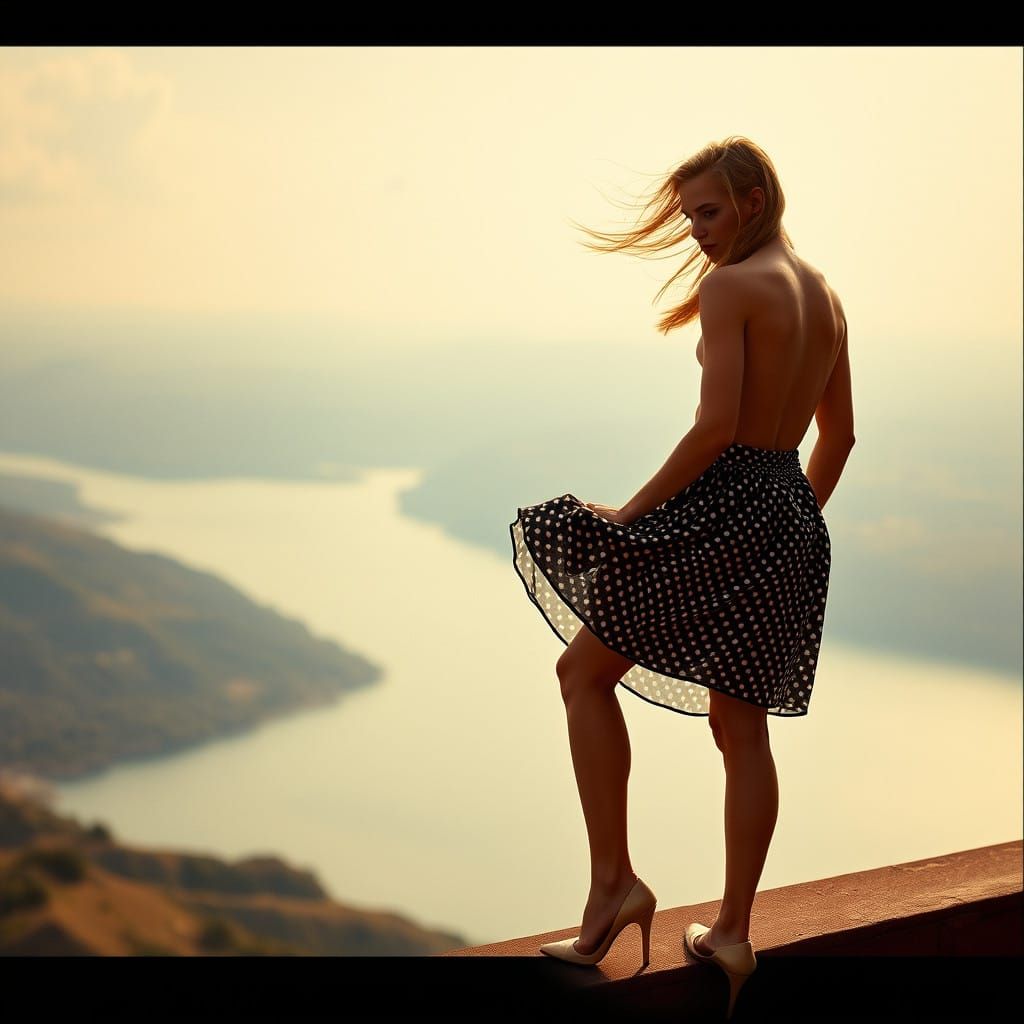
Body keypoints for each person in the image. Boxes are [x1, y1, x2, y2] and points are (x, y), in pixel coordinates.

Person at [508, 136, 855, 1019]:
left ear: (751, 199)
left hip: (722, 501)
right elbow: (838, 439)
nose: (695, 232)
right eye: (687, 215)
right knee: (742, 727)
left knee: (581, 671)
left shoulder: (733, 287)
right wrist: (786, 529)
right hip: (787, 513)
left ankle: (613, 889)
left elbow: (714, 429)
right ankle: (734, 930)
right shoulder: (827, 295)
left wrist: (629, 516)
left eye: (705, 211)